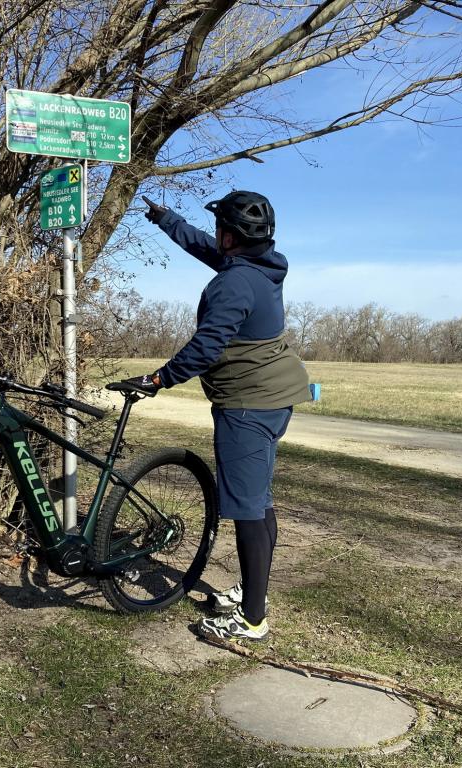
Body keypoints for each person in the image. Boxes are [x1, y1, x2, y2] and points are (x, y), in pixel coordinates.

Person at [121, 190, 310, 641]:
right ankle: (253, 592)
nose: (217, 239)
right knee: (258, 502)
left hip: (248, 404)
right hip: (275, 396)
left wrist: (159, 379)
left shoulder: (234, 283)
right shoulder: (262, 266)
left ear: (231, 236)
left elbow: (207, 346)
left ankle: (251, 620)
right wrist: (168, 220)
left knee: (247, 509)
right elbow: (209, 249)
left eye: (221, 230)